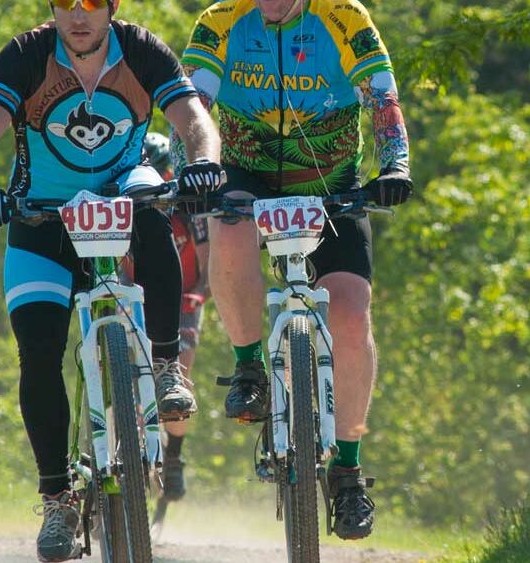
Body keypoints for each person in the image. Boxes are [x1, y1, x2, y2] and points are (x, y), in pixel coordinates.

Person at [0, 1, 224, 560]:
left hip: (118, 210)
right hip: (42, 221)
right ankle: (57, 500)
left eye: (92, 4)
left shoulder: (143, 50)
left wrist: (204, 158)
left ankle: (166, 364)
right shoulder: (27, 54)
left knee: (151, 200)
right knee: (39, 350)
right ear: (52, 9)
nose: (78, 16)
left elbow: (193, 118)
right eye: (65, 4)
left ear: (113, 8)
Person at [171, 0, 414, 541]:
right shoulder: (221, 20)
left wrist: (394, 164)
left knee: (350, 315)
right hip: (244, 171)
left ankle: (348, 472)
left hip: (331, 183)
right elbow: (190, 105)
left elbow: (383, 99)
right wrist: (192, 168)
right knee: (228, 226)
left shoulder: (344, 16)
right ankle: (249, 366)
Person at [121, 132, 211, 502]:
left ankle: (173, 458)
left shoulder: (189, 208)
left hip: (184, 302)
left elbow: (209, 266)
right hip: (137, 299)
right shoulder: (128, 204)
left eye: (163, 174)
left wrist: (199, 294)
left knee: (179, 375)